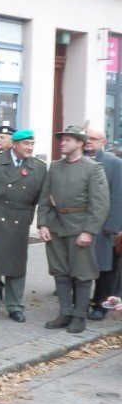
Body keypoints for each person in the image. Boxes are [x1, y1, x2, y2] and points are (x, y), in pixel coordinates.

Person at [36, 126, 109, 334]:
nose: (63, 143)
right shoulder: (55, 167)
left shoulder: (93, 168)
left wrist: (89, 231)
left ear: (80, 143)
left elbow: (100, 204)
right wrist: (42, 224)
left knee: (82, 273)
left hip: (80, 227)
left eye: (68, 140)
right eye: (62, 140)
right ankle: (65, 312)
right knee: (60, 272)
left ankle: (80, 316)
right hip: (56, 226)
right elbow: (44, 199)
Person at [0, 129, 47, 322]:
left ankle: (14, 306)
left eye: (32, 144)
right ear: (14, 144)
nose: (30, 147)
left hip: (19, 218)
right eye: (26, 144)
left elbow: (39, 197)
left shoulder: (39, 167)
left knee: (16, 263)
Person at [82, 128, 122, 320]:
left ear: (103, 142)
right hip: (80, 224)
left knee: (105, 268)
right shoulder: (76, 160)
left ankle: (101, 305)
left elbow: (118, 197)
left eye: (93, 138)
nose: (88, 141)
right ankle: (80, 303)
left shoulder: (114, 163)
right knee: (81, 266)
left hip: (105, 226)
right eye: (86, 138)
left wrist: (112, 226)